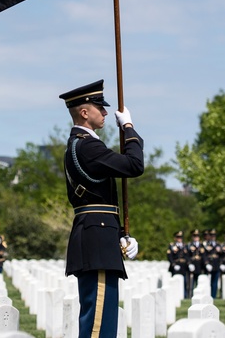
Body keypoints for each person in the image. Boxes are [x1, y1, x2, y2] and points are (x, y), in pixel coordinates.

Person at [61, 79, 143, 338]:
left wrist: (118, 234)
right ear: (84, 112)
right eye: (100, 107)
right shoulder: (87, 145)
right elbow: (134, 165)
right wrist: (129, 128)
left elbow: (98, 199)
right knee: (97, 326)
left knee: (104, 322)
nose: (106, 112)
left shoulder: (80, 144)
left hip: (100, 236)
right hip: (96, 241)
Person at [166, 231, 190, 297]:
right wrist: (173, 264)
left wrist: (189, 263)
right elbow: (169, 256)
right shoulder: (172, 246)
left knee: (185, 282)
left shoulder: (185, 245)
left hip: (183, 266)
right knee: (175, 282)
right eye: (178, 237)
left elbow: (188, 256)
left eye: (180, 237)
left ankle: (185, 295)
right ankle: (175, 295)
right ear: (175, 238)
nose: (179, 239)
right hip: (175, 266)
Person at [202, 229, 222, 298]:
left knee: (215, 282)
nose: (213, 237)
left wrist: (221, 263)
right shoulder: (205, 244)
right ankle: (207, 296)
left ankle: (214, 296)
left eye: (214, 235)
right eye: (211, 235)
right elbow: (204, 255)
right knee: (208, 282)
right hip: (209, 265)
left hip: (216, 265)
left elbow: (221, 255)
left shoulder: (218, 244)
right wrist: (206, 263)